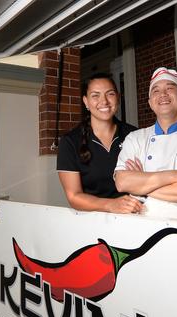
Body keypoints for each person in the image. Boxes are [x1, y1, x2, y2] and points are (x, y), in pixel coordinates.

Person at [114, 67, 177, 219]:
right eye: (155, 91)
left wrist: (142, 183)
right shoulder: (135, 138)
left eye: (170, 88)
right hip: (140, 221)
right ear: (150, 103)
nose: (163, 94)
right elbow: (122, 183)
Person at [57, 73, 143, 214]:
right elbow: (74, 197)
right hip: (92, 222)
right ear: (86, 101)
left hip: (134, 216)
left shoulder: (135, 135)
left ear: (118, 97)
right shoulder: (70, 142)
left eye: (110, 94)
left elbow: (146, 183)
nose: (104, 101)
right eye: (95, 95)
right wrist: (111, 205)